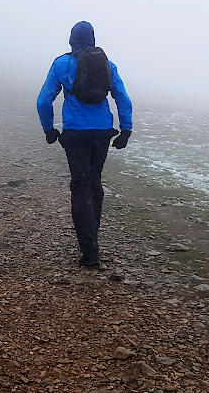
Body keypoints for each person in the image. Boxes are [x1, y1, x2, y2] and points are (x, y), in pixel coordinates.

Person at [36, 21, 133, 268]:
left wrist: (49, 129)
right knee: (94, 182)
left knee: (80, 186)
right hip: (102, 133)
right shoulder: (108, 66)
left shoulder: (61, 64)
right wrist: (126, 129)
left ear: (71, 40)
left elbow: (43, 101)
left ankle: (90, 251)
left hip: (75, 135)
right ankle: (93, 237)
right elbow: (121, 96)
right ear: (92, 39)